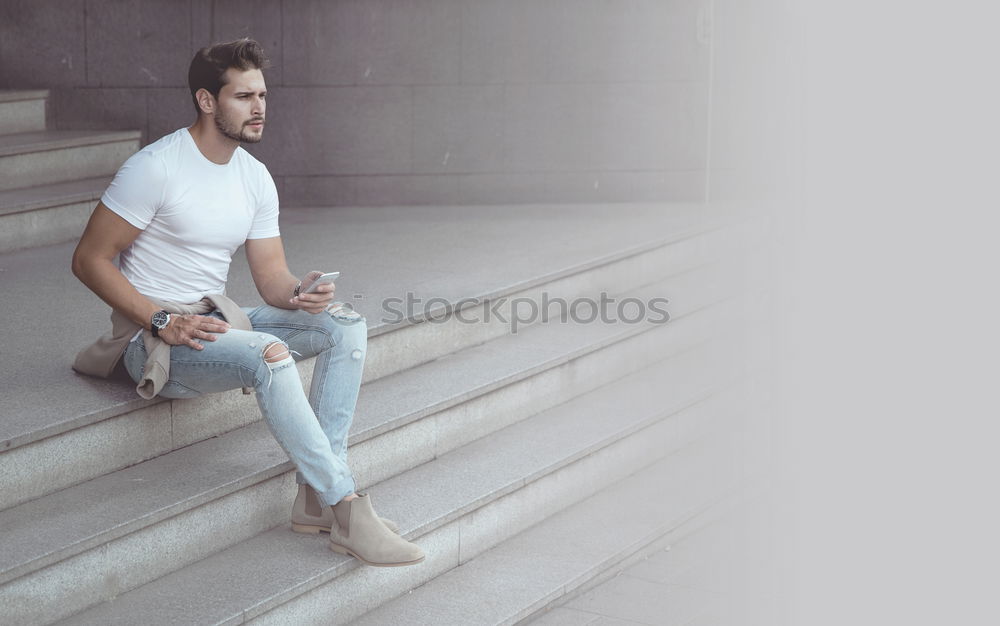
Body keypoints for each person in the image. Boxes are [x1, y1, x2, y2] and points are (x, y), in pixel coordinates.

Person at [70, 39, 424, 568]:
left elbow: (270, 281)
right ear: (207, 101)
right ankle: (347, 506)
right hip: (152, 340)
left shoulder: (253, 175)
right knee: (268, 354)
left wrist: (301, 295)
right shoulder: (156, 168)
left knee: (343, 324)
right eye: (243, 96)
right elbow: (88, 259)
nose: (259, 107)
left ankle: (315, 498)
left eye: (262, 94)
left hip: (217, 323)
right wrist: (161, 319)